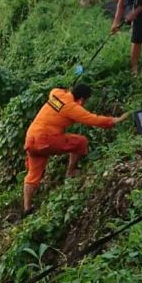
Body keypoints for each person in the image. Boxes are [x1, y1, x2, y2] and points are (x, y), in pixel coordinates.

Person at [23, 84, 128, 215]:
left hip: (31, 138)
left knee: (33, 175)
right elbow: (92, 119)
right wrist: (115, 120)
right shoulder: (72, 108)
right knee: (81, 142)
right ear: (83, 99)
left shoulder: (56, 94)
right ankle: (70, 171)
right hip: (45, 140)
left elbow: (56, 90)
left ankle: (27, 207)